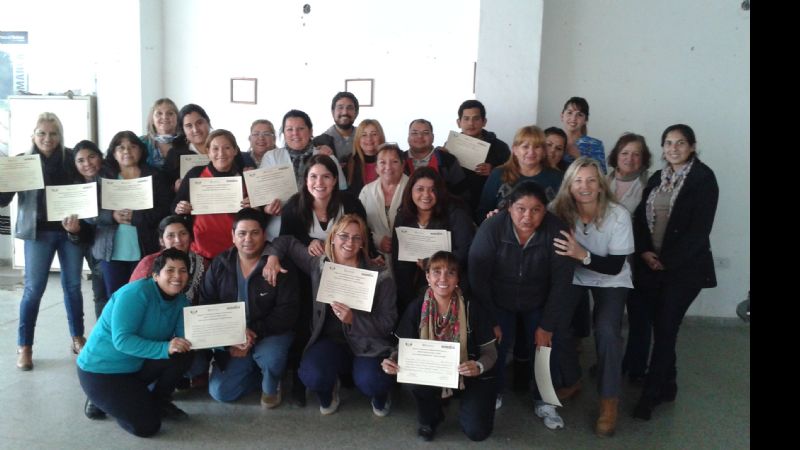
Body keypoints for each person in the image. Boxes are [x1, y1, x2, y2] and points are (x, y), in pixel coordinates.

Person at [263, 214, 397, 416]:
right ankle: (328, 391)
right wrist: (272, 258)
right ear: (332, 238)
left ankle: (380, 396)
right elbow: (286, 242)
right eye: (343, 236)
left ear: (363, 243)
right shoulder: (319, 264)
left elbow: (388, 323)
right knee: (312, 374)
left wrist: (354, 320)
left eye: (356, 237)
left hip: (367, 344)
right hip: (330, 341)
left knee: (374, 381)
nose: (349, 242)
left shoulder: (379, 275)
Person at [468, 181, 576, 428]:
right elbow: (478, 277)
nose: (527, 216)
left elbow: (562, 283)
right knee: (495, 344)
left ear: (545, 210)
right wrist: (492, 320)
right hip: (498, 300)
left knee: (545, 347)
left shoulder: (557, 230)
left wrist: (547, 325)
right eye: (520, 209)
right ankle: (493, 392)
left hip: (538, 300)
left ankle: (545, 400)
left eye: (536, 209)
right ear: (508, 207)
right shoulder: (492, 227)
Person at [631, 124, 718, 421]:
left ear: (692, 146)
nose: (674, 148)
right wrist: (644, 251)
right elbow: (641, 219)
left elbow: (699, 231)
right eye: (668, 143)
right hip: (652, 265)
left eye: (680, 143)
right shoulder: (658, 177)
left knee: (666, 328)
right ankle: (669, 384)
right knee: (662, 326)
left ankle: (650, 395)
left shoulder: (703, 179)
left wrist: (666, 261)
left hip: (685, 270)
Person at [550, 157, 635, 436]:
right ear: (569, 185)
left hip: (610, 278)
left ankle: (609, 401)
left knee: (608, 331)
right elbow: (529, 218)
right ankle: (572, 379)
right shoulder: (559, 209)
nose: (584, 186)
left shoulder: (618, 215)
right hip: (575, 274)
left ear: (601, 185)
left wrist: (581, 254)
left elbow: (613, 266)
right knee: (555, 322)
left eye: (590, 180)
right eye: (578, 180)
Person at [277, 153, 370, 405]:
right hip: (305, 280)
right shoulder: (293, 207)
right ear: (305, 180)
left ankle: (343, 371)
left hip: (345, 277)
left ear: (335, 179)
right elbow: (287, 244)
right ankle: (299, 380)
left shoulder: (350, 203)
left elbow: (363, 235)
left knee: (343, 321)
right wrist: (309, 245)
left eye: (326, 176)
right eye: (313, 176)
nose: (320, 182)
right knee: (304, 324)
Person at [76, 248, 194, 437]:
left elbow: (190, 339)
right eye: (170, 270)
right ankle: (101, 399)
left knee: (184, 353)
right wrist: (165, 347)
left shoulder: (181, 302)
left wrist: (231, 341)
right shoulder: (135, 293)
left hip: (135, 367)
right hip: (102, 371)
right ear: (155, 275)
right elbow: (122, 341)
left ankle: (157, 401)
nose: (177, 276)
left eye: (183, 271)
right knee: (147, 426)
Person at [382, 251, 498, 442]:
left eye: (450, 272)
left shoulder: (472, 307)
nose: (443, 278)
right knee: (415, 380)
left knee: (477, 432)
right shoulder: (416, 308)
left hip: (469, 376)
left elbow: (490, 352)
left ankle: (467, 402)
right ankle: (430, 418)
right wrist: (392, 361)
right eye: (436, 271)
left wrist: (478, 366)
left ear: (458, 278)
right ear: (427, 276)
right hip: (430, 374)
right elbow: (402, 348)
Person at [1, 112, 86, 369]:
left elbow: (87, 190)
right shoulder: (22, 162)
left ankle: (77, 338)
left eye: (53, 133)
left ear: (60, 135)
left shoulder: (72, 159)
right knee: (33, 289)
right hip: (37, 234)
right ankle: (24, 346)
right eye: (42, 133)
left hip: (69, 231)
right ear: (33, 135)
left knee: (72, 287)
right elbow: (3, 201)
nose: (47, 138)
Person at [200, 208, 298, 407]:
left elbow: (287, 313)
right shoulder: (220, 263)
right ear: (233, 236)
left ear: (264, 235)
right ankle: (257, 374)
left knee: (271, 359)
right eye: (242, 233)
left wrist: (250, 334)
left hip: (271, 332)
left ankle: (272, 380)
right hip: (233, 337)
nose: (248, 239)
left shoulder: (280, 265)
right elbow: (206, 304)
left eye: (255, 233)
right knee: (221, 392)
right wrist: (231, 338)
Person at [92, 131, 171, 297]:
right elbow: (91, 212)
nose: (127, 151)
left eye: (132, 146)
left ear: (141, 150)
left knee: (141, 297)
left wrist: (136, 218)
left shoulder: (154, 176)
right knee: (114, 298)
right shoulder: (103, 177)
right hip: (111, 251)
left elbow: (164, 210)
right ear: (113, 153)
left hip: (144, 247)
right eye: (121, 147)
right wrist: (111, 216)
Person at [392, 167, 475, 316]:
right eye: (420, 189)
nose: (426, 195)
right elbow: (399, 263)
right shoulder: (403, 217)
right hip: (414, 288)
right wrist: (409, 301)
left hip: (451, 286)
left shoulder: (456, 213)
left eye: (432, 190)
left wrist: (431, 264)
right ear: (410, 191)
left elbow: (465, 251)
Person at [259, 109, 347, 238]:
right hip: (279, 230)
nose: (295, 133)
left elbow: (342, 191)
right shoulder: (271, 157)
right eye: (289, 129)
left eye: (300, 128)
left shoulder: (326, 156)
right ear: (283, 132)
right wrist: (266, 208)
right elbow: (261, 196)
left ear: (311, 131)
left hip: (322, 232)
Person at [173, 129, 250, 260]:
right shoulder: (195, 174)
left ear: (235, 151)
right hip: (201, 250)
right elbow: (174, 207)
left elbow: (256, 218)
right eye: (215, 148)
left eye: (227, 147)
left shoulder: (245, 177)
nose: (221, 153)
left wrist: (253, 207)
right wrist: (180, 208)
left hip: (236, 250)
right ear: (207, 151)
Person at [477, 125, 563, 222]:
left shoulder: (557, 178)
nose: (531, 152)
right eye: (525, 146)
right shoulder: (498, 174)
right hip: (502, 234)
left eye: (537, 147)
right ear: (515, 150)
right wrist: (490, 218)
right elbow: (482, 212)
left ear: (543, 151)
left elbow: (564, 214)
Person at [64, 139, 108, 318]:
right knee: (100, 294)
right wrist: (74, 231)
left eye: (92, 157)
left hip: (114, 243)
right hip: (91, 246)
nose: (87, 163)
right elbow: (81, 231)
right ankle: (101, 339)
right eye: (80, 160)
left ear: (100, 157)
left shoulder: (112, 179)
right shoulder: (72, 188)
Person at [129, 215, 208, 305]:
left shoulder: (203, 264)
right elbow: (133, 296)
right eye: (171, 235)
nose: (178, 240)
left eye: (183, 234)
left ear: (190, 237)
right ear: (161, 241)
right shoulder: (148, 263)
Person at [449, 100, 511, 213]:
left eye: (476, 119)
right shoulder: (449, 147)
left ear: (484, 121)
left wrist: (494, 171)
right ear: (459, 122)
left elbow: (513, 176)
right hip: (457, 208)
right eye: (466, 119)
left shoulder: (501, 148)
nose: (471, 123)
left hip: (491, 208)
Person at [358, 143, 408, 269]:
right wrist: (377, 240)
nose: (388, 167)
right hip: (376, 258)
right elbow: (358, 224)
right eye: (382, 162)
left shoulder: (414, 189)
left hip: (409, 257)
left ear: (403, 165)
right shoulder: (366, 191)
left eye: (394, 162)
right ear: (376, 168)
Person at [404, 119, 468, 200]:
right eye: (414, 133)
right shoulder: (398, 160)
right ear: (408, 137)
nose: (420, 136)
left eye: (425, 133)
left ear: (433, 137)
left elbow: (463, 194)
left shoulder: (447, 160)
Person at [163, 103, 213, 190]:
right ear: (183, 130)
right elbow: (164, 186)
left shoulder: (224, 145)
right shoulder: (174, 154)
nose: (195, 130)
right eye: (189, 126)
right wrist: (174, 187)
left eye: (199, 123)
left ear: (208, 122)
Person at [606, 132, 652, 215]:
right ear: (616, 156)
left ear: (643, 158)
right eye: (624, 153)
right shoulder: (603, 180)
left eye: (636, 154)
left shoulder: (651, 181)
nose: (630, 159)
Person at [560, 97, 607, 173]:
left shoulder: (595, 144)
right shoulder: (553, 142)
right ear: (562, 116)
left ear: (586, 120)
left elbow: (601, 176)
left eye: (579, 115)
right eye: (569, 113)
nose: (573, 118)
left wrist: (578, 156)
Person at [343, 119, 386, 195]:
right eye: (364, 135)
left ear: (381, 137)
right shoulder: (349, 163)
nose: (369, 138)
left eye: (374, 134)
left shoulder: (391, 162)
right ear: (358, 139)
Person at [312, 91, 360, 161]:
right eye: (340, 107)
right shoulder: (319, 142)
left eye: (349, 108)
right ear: (332, 112)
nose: (345, 112)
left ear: (356, 113)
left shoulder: (365, 137)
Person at [139, 98, 179, 171]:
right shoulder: (140, 143)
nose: (164, 117)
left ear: (177, 118)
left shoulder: (186, 142)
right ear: (152, 119)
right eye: (159, 113)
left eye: (170, 113)